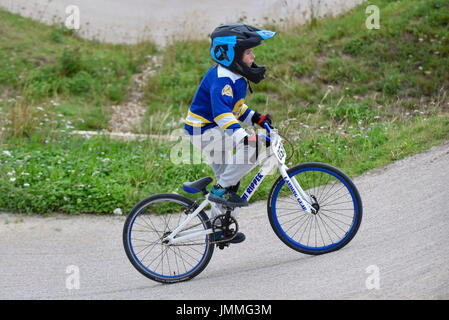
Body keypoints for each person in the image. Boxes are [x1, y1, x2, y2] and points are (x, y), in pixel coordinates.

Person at [184, 23, 276, 243]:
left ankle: (219, 228)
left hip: (212, 129)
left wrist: (256, 118)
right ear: (230, 55)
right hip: (204, 130)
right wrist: (243, 137)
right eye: (248, 52)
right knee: (252, 148)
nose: (253, 57)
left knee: (229, 181)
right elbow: (222, 114)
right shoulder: (222, 79)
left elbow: (236, 108)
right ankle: (221, 189)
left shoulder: (235, 76)